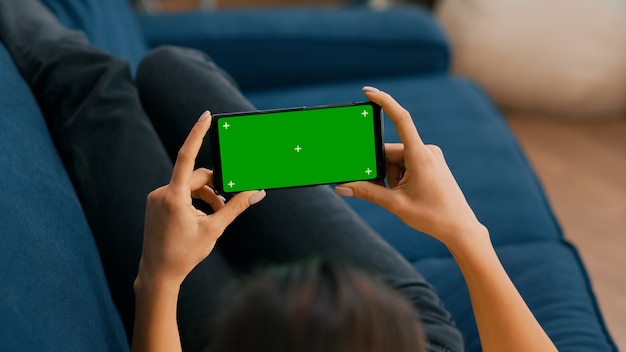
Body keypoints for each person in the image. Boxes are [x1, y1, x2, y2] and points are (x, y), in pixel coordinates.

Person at [0, 1, 556, 351]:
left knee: (96, 89)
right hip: (396, 336)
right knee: (173, 71)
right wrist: (463, 232)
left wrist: (160, 279)